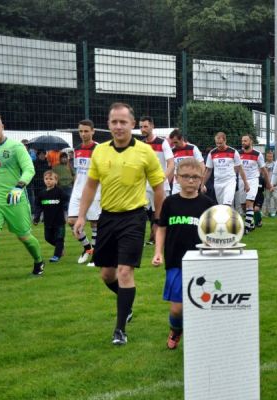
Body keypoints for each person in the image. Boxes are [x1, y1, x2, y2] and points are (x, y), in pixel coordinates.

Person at [73, 103, 165, 345]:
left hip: (134, 218)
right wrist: (81, 215)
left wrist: (158, 220)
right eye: (114, 122)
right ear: (108, 125)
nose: (118, 126)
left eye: (123, 122)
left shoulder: (145, 152)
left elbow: (158, 188)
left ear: (132, 125)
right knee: (107, 274)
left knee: (125, 272)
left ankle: (120, 330)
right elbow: (91, 185)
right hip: (107, 218)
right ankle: (127, 305)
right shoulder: (100, 151)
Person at [152, 158, 216, 349]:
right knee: (177, 308)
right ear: (177, 178)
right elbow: (161, 228)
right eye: (186, 176)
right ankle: (175, 329)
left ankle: (202, 336)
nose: (190, 180)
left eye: (195, 177)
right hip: (175, 261)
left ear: (201, 179)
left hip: (203, 262)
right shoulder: (170, 203)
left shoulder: (208, 204)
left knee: (204, 301)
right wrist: (158, 252)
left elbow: (215, 231)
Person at [0, 113, 45, 285]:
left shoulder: (16, 147)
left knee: (24, 236)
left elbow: (29, 169)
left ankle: (39, 261)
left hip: (15, 198)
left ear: (2, 127)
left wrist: (19, 187)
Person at [67, 120, 101, 266]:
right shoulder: (77, 149)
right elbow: (77, 172)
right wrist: (75, 188)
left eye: (86, 131)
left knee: (95, 223)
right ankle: (88, 248)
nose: (83, 134)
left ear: (93, 131)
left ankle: (95, 256)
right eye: (81, 131)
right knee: (71, 221)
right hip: (78, 190)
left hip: (95, 190)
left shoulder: (99, 148)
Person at [140, 116, 174, 245]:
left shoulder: (162, 142)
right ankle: (140, 239)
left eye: (145, 126)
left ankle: (160, 239)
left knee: (159, 214)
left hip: (159, 185)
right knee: (140, 211)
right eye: (141, 127)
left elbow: (171, 163)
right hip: (144, 185)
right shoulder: (141, 144)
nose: (143, 129)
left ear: (152, 126)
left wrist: (162, 178)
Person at [202, 132, 249, 206]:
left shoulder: (233, 152)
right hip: (218, 183)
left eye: (220, 143)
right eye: (217, 143)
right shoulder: (212, 153)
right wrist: (202, 185)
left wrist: (246, 183)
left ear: (225, 141)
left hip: (230, 181)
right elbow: (208, 170)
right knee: (222, 207)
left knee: (227, 203)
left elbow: (240, 168)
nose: (218, 145)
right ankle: (231, 217)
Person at [238, 135, 272, 233]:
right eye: (242, 141)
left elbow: (264, 171)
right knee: (243, 205)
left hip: (253, 180)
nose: (243, 142)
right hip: (241, 180)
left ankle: (247, 227)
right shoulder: (238, 153)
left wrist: (268, 184)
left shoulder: (257, 154)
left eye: (245, 141)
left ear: (251, 142)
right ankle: (251, 223)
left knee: (249, 203)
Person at [33, 170, 66, 262]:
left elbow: (66, 201)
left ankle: (56, 255)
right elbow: (38, 207)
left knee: (59, 239)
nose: (48, 181)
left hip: (59, 221)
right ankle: (60, 248)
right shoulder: (41, 194)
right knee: (48, 238)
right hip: (48, 221)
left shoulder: (59, 191)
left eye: (51, 179)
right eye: (46, 179)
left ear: (56, 180)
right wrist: (36, 218)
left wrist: (68, 213)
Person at [169, 129, 204, 195]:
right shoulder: (172, 151)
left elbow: (201, 165)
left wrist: (202, 183)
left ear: (182, 139)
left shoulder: (192, 148)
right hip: (177, 184)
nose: (174, 144)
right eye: (173, 143)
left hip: (191, 181)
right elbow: (171, 168)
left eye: (176, 142)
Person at [30, 149, 51, 215]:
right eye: (40, 154)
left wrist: (50, 166)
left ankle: (46, 214)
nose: (42, 156)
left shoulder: (47, 163)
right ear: (38, 155)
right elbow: (32, 173)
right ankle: (37, 214)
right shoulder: (34, 163)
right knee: (37, 200)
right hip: (37, 184)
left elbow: (50, 173)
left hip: (46, 184)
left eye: (43, 154)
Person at [263, 150, 277, 217]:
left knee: (275, 197)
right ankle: (269, 212)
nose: (270, 157)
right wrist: (266, 184)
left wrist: (275, 183)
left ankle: (276, 211)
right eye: (268, 156)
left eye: (271, 156)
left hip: (274, 184)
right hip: (267, 185)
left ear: (273, 156)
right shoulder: (264, 165)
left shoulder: (276, 164)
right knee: (267, 198)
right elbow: (263, 175)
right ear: (266, 157)